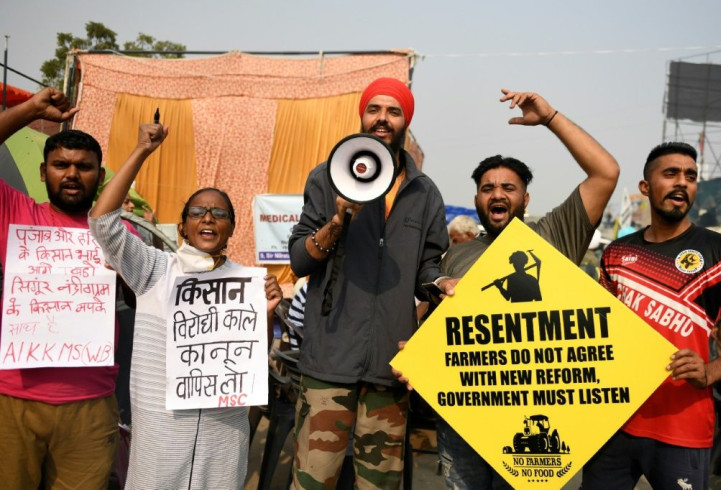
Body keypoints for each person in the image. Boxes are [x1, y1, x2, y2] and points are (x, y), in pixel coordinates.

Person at [397, 88, 620, 489]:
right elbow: (441, 330)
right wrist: (418, 356)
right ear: (478, 199)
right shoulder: (455, 258)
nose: (497, 193)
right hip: (465, 421)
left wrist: (550, 117)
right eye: (487, 188)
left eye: (508, 187)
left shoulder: (554, 236)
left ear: (525, 198)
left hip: (533, 426)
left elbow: (605, 172)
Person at [88, 122, 283, 489]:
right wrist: (142, 150)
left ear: (231, 228)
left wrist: (266, 311)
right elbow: (102, 222)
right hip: (162, 438)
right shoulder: (153, 269)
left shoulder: (248, 282)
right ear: (183, 226)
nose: (208, 217)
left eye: (219, 213)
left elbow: (247, 360)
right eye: (197, 211)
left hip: (222, 436)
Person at [288, 77, 449, 489]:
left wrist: (443, 282)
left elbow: (426, 270)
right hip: (329, 362)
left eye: (393, 111)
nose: (382, 118)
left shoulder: (424, 193)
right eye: (374, 109)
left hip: (389, 368)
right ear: (362, 115)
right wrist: (339, 221)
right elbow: (300, 259)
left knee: (380, 484)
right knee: (312, 480)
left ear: (405, 122)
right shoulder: (326, 178)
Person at [0, 88, 140, 489]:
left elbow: (143, 302)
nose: (73, 174)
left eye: (85, 166)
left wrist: (125, 274)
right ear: (44, 173)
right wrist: (28, 110)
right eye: (61, 165)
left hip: (91, 406)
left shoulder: (121, 233)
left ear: (101, 175)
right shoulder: (14, 212)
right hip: (14, 400)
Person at [582, 142, 721, 489]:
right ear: (646, 187)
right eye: (671, 174)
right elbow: (599, 334)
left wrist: (710, 371)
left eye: (691, 176)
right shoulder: (617, 252)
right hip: (613, 422)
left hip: (683, 426)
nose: (682, 182)